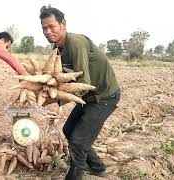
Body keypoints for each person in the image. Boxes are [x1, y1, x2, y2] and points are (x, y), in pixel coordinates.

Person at [39, 6, 120, 180]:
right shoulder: (57, 49)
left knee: (78, 140)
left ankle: (75, 176)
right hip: (89, 98)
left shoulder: (75, 43)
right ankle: (98, 167)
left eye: (52, 26)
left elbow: (83, 84)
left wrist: (54, 100)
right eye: (44, 27)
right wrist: (43, 90)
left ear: (63, 24)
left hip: (103, 97)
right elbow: (59, 77)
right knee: (69, 130)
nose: (48, 31)